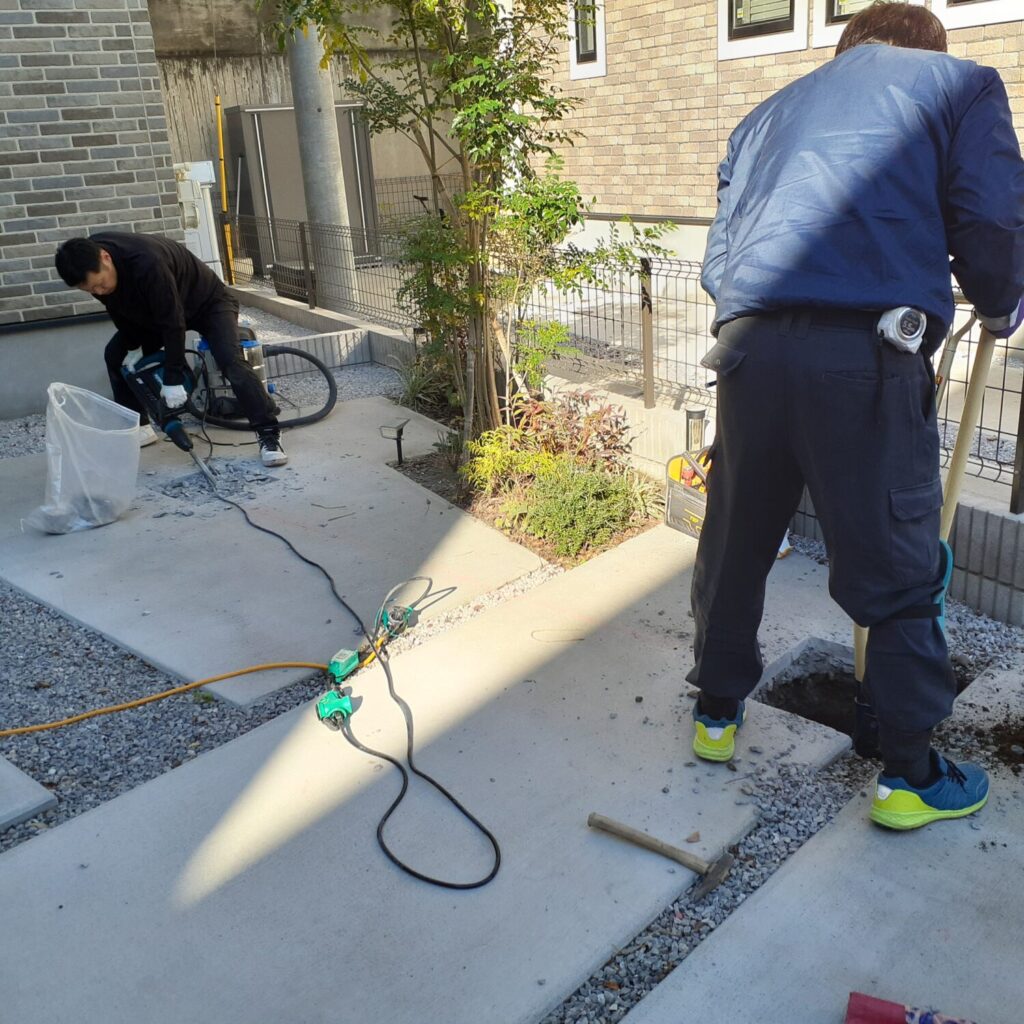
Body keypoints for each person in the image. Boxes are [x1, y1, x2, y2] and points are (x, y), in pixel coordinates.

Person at [689, 2, 1024, 830]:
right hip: (866, 358)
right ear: (929, 48)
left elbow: (722, 252)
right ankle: (910, 775)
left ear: (847, 47)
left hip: (748, 351)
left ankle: (716, 714)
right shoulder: (961, 85)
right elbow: (989, 215)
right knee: (897, 565)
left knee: (735, 540)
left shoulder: (767, 114)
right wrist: (1000, 300)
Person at [54, 232, 287, 467]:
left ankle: (268, 433)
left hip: (208, 303)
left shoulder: (147, 262)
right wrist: (133, 346)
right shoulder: (88, 261)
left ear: (106, 258)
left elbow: (173, 324)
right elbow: (119, 310)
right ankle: (140, 426)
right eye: (92, 290)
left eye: (101, 284)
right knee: (115, 355)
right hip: (157, 310)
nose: (99, 292)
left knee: (229, 359)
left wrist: (173, 378)